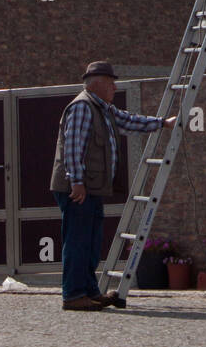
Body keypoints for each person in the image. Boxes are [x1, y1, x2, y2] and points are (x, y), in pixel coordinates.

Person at [50, 60, 176, 311]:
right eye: (110, 83)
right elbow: (73, 149)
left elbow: (129, 122)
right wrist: (77, 182)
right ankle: (74, 295)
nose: (115, 87)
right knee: (78, 242)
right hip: (77, 189)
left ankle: (89, 292)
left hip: (91, 188)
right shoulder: (83, 107)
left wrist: (162, 123)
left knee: (91, 242)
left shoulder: (103, 108)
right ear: (96, 84)